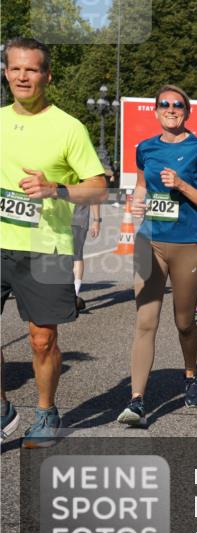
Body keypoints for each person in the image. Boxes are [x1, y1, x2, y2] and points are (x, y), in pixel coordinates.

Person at [0, 37, 107, 446]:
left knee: (41, 339)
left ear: (47, 75)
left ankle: (46, 412)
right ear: (6, 72)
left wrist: (57, 189)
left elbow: (97, 187)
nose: (23, 76)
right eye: (15, 68)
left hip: (46, 246)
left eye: (32, 69)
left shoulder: (68, 127)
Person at [117, 85, 197, 427]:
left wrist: (181, 185)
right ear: (157, 111)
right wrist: (137, 204)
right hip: (150, 242)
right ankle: (137, 400)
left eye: (178, 105)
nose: (171, 109)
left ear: (187, 112)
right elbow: (142, 187)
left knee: (184, 322)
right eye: (164, 104)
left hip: (188, 244)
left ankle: (191, 373)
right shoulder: (145, 148)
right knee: (145, 322)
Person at [71, 200, 102, 312]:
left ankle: (74, 294)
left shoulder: (88, 181)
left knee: (77, 255)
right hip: (59, 219)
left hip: (78, 220)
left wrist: (97, 220)